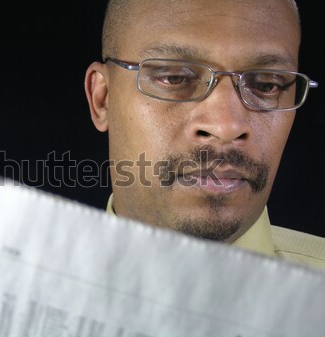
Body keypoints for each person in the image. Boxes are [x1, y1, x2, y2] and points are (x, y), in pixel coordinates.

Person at [84, 0, 325, 270]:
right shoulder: (27, 287)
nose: (226, 126)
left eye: (266, 85)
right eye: (175, 78)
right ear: (102, 99)